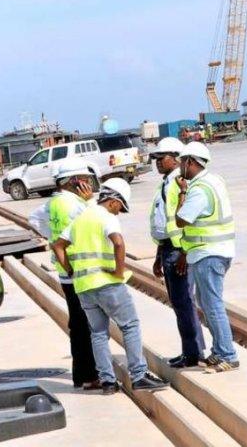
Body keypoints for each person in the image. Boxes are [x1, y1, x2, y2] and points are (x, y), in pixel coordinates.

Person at [52, 179, 169, 394]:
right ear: (114, 201)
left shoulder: (79, 219)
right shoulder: (106, 217)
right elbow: (118, 243)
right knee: (130, 325)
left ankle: (107, 381)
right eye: (120, 208)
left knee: (98, 333)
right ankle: (139, 375)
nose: (119, 213)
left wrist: (69, 269)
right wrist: (118, 271)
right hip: (107, 284)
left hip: (84, 287)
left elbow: (57, 245)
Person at [28, 158, 99, 389]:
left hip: (65, 270)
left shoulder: (54, 203)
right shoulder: (77, 205)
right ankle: (89, 375)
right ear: (75, 181)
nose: (88, 184)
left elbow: (34, 219)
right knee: (87, 324)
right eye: (86, 180)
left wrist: (53, 238)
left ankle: (82, 374)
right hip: (81, 269)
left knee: (77, 322)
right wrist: (90, 204)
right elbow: (94, 223)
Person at [174, 142, 239, 373]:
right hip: (216, 250)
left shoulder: (199, 189)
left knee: (213, 306)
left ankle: (228, 355)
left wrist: (182, 192)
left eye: (182, 161)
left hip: (208, 252)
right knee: (207, 303)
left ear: (190, 162)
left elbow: (182, 219)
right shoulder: (215, 180)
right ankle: (219, 350)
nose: (180, 166)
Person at [149, 138, 205, 368]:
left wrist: (183, 251)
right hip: (168, 249)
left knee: (184, 303)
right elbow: (164, 223)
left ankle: (193, 353)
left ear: (175, 158)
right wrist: (158, 255)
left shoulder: (177, 184)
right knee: (180, 303)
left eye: (160, 159)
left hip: (177, 250)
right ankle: (190, 350)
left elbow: (185, 221)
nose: (157, 163)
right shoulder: (166, 183)